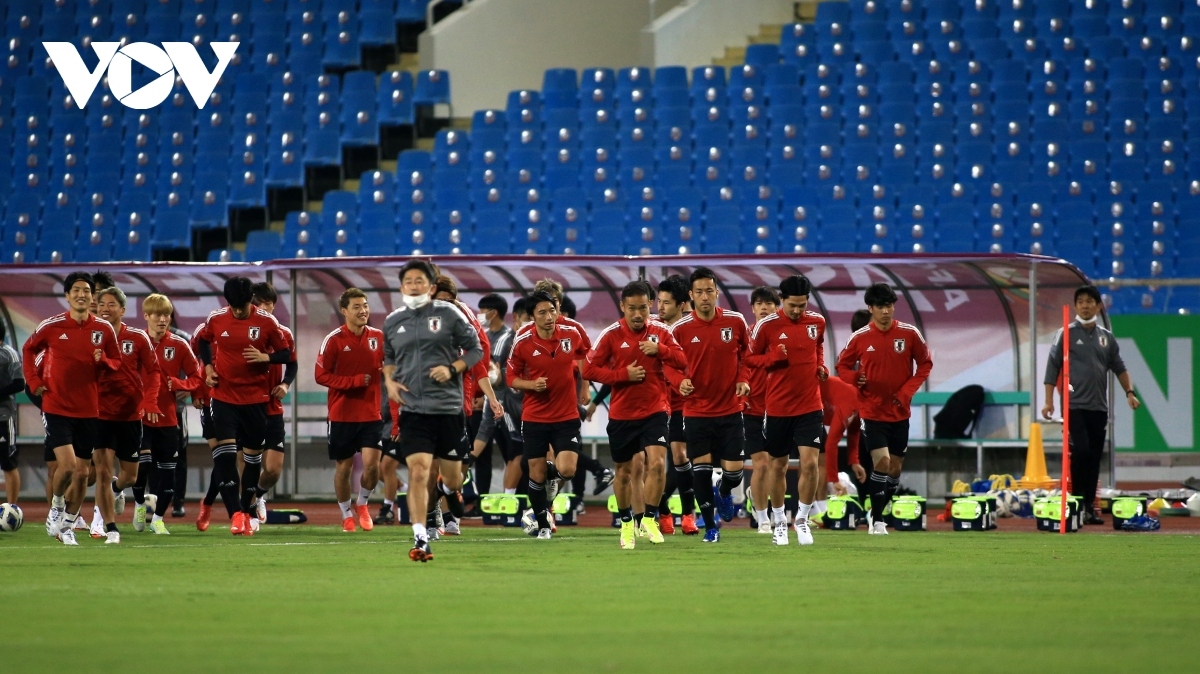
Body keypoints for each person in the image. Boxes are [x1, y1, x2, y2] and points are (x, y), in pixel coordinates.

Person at [383, 259, 484, 562]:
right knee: (418, 470)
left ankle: (449, 490)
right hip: (413, 410)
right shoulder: (393, 321)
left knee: (452, 479)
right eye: (409, 281)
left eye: (420, 281)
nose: (414, 286)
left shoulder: (450, 314)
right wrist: (389, 381)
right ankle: (420, 537)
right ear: (401, 287)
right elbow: (389, 358)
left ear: (431, 286)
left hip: (448, 409)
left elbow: (476, 349)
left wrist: (453, 368)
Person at [584, 281, 686, 549]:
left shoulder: (661, 332)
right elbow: (589, 370)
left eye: (643, 308)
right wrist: (622, 375)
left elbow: (683, 360)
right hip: (623, 414)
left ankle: (650, 518)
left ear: (650, 305)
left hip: (655, 409)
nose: (638, 314)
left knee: (657, 464)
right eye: (632, 309)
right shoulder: (610, 334)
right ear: (622, 307)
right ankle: (627, 523)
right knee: (624, 472)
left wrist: (660, 350)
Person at [23, 272, 122, 545]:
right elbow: (29, 350)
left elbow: (117, 362)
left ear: (92, 297)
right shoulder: (51, 326)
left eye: (86, 290)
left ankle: (67, 526)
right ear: (67, 296)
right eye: (76, 290)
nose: (82, 294)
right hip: (56, 406)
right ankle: (56, 506)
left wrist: (104, 362)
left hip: (89, 409)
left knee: (83, 474)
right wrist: (33, 381)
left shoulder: (103, 329)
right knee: (66, 467)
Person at [195, 277, 292, 536]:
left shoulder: (267, 322)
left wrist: (266, 357)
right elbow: (202, 341)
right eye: (233, 307)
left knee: (252, 461)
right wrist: (208, 368)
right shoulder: (216, 319)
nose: (238, 311)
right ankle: (236, 514)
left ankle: (246, 510)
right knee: (226, 457)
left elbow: (286, 354)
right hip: (224, 398)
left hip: (256, 401)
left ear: (251, 301)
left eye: (242, 306)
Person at [836, 283, 933, 535]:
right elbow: (841, 366)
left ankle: (877, 509)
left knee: (895, 468)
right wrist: (854, 377)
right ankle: (877, 521)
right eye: (880, 307)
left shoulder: (910, 333)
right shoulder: (859, 337)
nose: (886, 311)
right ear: (871, 308)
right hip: (872, 411)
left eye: (889, 306)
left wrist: (907, 391)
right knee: (883, 461)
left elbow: (925, 364)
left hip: (900, 412)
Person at [665, 266, 751, 543]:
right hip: (696, 411)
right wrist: (679, 381)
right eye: (699, 292)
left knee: (734, 473)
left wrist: (744, 379)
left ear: (716, 292)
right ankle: (711, 527)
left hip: (730, 409)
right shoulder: (679, 329)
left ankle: (724, 491)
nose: (705, 296)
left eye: (709, 291)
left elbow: (748, 355)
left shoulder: (735, 321)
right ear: (691, 295)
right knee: (700, 471)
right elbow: (667, 364)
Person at [1041, 284, 1140, 525]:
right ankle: (1077, 503)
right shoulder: (1065, 333)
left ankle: (1088, 507)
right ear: (1075, 306)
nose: (1085, 306)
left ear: (1098, 306)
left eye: (1089, 301)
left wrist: (1129, 392)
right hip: (1074, 404)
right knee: (1082, 451)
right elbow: (1052, 366)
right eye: (1081, 302)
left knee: (1094, 457)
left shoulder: (1107, 338)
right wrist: (1048, 401)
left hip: (1099, 407)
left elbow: (1120, 367)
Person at [747, 275, 827, 546]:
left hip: (810, 405)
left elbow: (818, 347)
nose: (797, 310)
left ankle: (802, 520)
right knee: (778, 466)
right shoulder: (766, 326)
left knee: (810, 463)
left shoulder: (817, 322)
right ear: (782, 300)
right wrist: (772, 358)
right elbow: (749, 358)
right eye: (792, 305)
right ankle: (779, 522)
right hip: (778, 407)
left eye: (802, 305)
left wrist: (820, 366)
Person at [507, 291, 589, 540]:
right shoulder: (522, 341)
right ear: (532, 316)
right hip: (535, 418)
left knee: (568, 469)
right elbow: (511, 378)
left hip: (566, 416)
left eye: (552, 310)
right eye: (542, 312)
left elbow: (585, 355)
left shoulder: (572, 333)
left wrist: (585, 386)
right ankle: (543, 524)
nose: (549, 316)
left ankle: (553, 476)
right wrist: (531, 385)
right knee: (536, 474)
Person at [91, 286, 162, 541]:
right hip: (100, 415)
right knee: (101, 471)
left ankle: (116, 487)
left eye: (111, 304)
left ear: (122, 310)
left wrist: (150, 401)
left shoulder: (138, 338)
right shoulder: (91, 337)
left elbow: (154, 371)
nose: (105, 309)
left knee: (131, 477)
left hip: (130, 416)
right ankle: (107, 526)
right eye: (101, 304)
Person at [316, 288, 386, 533]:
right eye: (357, 307)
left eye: (365, 305)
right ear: (344, 311)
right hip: (342, 415)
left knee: (373, 466)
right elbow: (320, 375)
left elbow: (391, 365)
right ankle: (346, 514)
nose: (363, 310)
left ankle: (363, 503)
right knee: (343, 468)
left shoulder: (378, 337)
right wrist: (352, 382)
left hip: (371, 413)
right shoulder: (333, 340)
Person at [141, 294, 202, 536]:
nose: (162, 319)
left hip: (169, 416)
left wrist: (180, 384)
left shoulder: (180, 344)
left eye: (166, 315)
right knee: (143, 466)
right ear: (146, 316)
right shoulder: (135, 342)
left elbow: (196, 377)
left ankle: (159, 518)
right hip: (140, 417)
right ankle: (141, 504)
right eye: (157, 315)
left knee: (170, 468)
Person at [243, 282, 297, 529]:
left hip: (272, 408)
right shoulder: (243, 331)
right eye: (260, 303)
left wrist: (285, 384)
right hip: (245, 406)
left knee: (273, 469)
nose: (264, 308)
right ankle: (246, 512)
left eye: (269, 303)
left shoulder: (283, 333)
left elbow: (292, 363)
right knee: (245, 464)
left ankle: (258, 495)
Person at [468, 294, 524, 503]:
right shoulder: (481, 337)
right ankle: (500, 501)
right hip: (493, 404)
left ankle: (515, 501)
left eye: (483, 311)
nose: (480, 314)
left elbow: (494, 374)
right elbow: (484, 373)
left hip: (510, 404)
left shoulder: (506, 339)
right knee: (514, 454)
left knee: (519, 454)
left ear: (494, 313)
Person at [745, 286, 779, 535]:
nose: (764, 307)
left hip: (779, 409)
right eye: (759, 303)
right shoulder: (745, 336)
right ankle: (763, 518)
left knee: (776, 465)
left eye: (769, 303)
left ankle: (774, 511)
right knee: (762, 464)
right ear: (753, 308)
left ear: (777, 308)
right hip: (751, 409)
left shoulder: (784, 337)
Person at [0, 321, 23, 504]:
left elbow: (19, 383)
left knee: (8, 463)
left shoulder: (9, 354)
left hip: (3, 416)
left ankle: (11, 508)